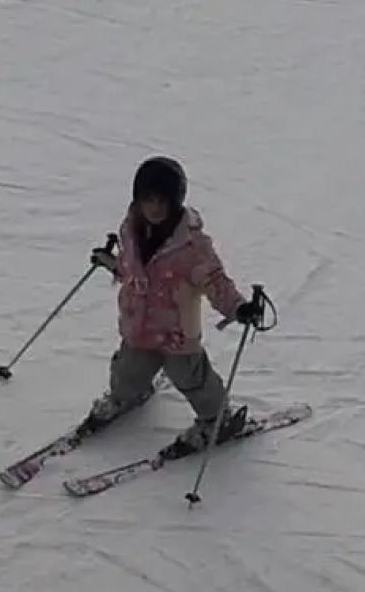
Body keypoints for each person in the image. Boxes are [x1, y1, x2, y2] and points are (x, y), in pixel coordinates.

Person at [82, 156, 263, 455]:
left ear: (175, 202)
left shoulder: (192, 246)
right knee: (127, 372)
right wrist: (112, 263)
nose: (154, 208)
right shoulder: (130, 230)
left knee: (192, 380)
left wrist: (238, 308)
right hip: (138, 326)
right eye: (147, 200)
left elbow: (215, 281)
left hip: (178, 333)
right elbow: (132, 270)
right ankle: (126, 396)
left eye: (162, 201)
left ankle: (216, 418)